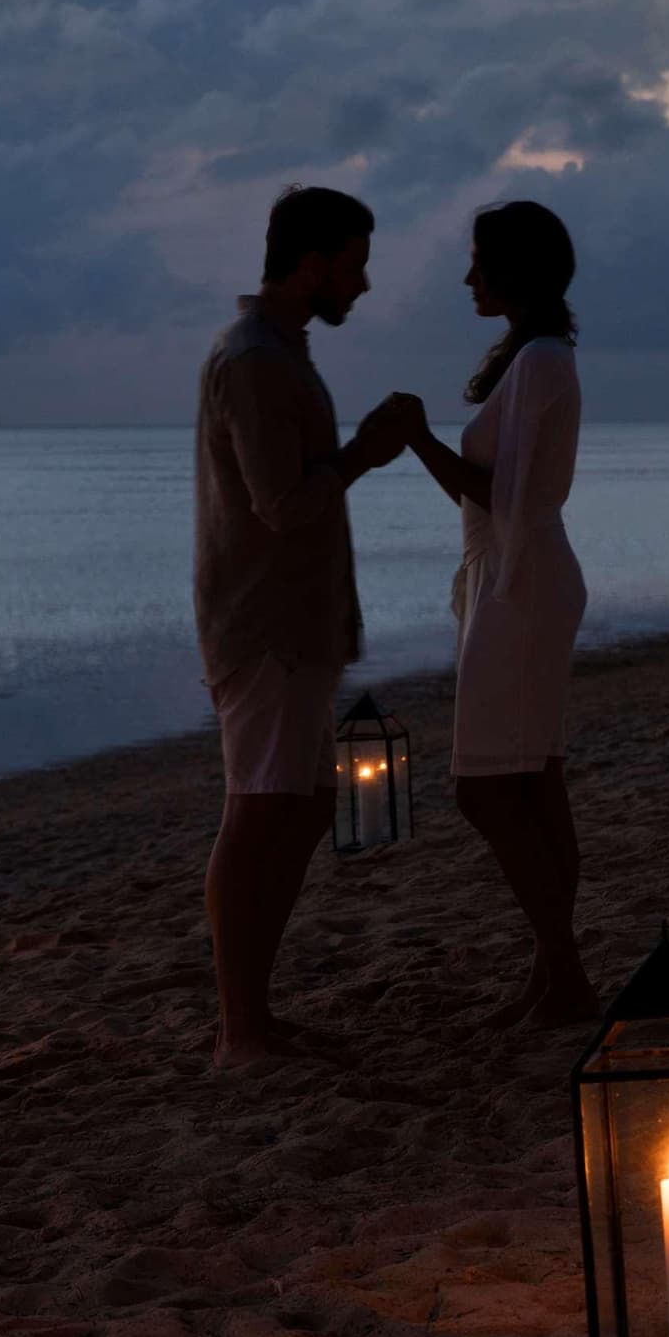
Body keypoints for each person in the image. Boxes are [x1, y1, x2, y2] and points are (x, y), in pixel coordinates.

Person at [195, 185, 412, 1069]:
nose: (362, 284)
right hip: (266, 625)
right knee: (257, 812)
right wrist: (367, 452)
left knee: (306, 805)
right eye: (353, 265)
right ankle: (240, 1027)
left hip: (298, 622)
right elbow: (281, 503)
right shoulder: (255, 360)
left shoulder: (280, 352)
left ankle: (254, 1012)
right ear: (313, 263)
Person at [397, 201, 597, 1027]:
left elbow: (498, 496)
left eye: (480, 261)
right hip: (516, 578)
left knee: (484, 789)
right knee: (534, 780)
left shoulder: (542, 360)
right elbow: (500, 498)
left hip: (521, 584)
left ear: (516, 268)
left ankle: (566, 974)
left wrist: (416, 436)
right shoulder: (535, 357)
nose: (467, 277)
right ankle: (553, 977)